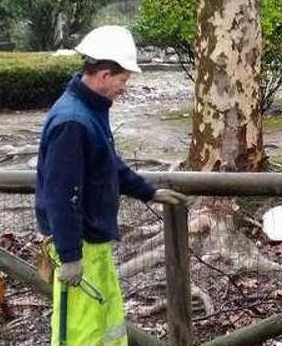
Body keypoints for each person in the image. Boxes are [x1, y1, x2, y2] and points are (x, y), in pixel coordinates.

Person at [35, 25, 185, 346]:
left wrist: (148, 190)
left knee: (106, 320)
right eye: (123, 79)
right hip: (80, 244)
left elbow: (109, 163)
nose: (124, 86)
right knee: (79, 329)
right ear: (104, 75)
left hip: (94, 241)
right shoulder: (73, 121)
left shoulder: (90, 111)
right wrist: (70, 255)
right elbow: (62, 195)